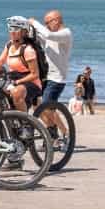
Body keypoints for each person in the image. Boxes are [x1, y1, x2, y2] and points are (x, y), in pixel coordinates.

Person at [25, 9, 74, 140]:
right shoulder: (50, 34)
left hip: (57, 78)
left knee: (45, 106)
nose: (46, 25)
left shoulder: (65, 33)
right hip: (46, 77)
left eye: (48, 22)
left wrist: (34, 22)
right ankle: (63, 134)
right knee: (44, 107)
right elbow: (39, 37)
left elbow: (47, 35)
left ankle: (53, 135)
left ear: (56, 20)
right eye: (44, 23)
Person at [0, 21, 44, 110]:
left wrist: (17, 82)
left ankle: (25, 121)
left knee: (16, 92)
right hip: (13, 80)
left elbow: (35, 74)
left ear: (24, 32)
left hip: (31, 82)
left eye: (16, 29)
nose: (12, 32)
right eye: (10, 29)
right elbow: (0, 61)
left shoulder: (28, 50)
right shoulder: (9, 45)